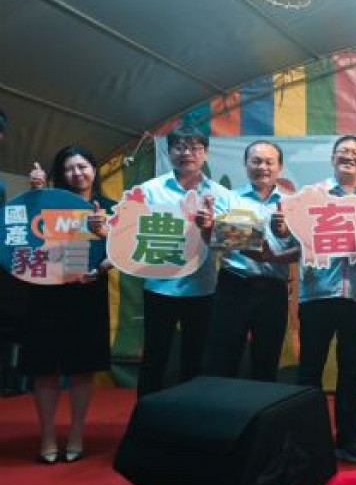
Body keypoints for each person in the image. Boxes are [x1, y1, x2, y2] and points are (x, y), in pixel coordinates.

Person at [275, 135, 356, 464]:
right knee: (310, 369)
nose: (349, 157)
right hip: (317, 294)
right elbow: (291, 238)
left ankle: (349, 438)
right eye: (343, 152)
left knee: (352, 371)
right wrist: (282, 230)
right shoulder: (310, 197)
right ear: (332, 158)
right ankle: (305, 439)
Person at [25, 147, 115, 463]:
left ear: (95, 169)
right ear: (59, 174)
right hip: (46, 293)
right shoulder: (46, 201)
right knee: (45, 368)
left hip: (87, 294)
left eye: (83, 166)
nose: (77, 173)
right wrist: (36, 194)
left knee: (82, 368)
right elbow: (24, 239)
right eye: (69, 168)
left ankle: (76, 433)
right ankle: (47, 435)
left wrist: (102, 267)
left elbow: (122, 250)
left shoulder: (110, 208)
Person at [134, 127, 233, 397]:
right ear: (170, 152)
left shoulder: (222, 195)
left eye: (195, 147)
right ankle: (146, 419)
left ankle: (189, 419)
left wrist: (210, 228)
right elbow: (130, 233)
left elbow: (234, 243)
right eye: (179, 146)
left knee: (195, 359)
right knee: (155, 357)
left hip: (202, 288)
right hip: (158, 286)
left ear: (205, 153)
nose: (187, 152)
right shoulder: (149, 190)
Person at [203, 140, 297, 382]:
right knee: (223, 356)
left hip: (274, 288)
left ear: (280, 167)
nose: (262, 167)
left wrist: (284, 234)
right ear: (246, 164)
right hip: (234, 284)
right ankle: (221, 413)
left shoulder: (293, 203)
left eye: (269, 162)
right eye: (256, 161)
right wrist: (261, 247)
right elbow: (219, 236)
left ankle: (261, 416)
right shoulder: (229, 198)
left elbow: (304, 247)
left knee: (267, 358)